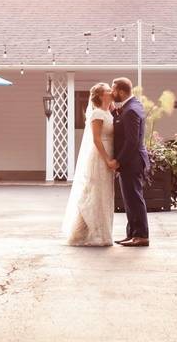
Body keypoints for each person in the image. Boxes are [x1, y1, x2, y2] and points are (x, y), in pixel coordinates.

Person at [61, 82, 117, 246]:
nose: (111, 91)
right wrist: (107, 159)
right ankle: (86, 233)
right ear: (100, 96)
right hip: (100, 156)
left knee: (104, 194)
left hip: (109, 152)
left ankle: (102, 233)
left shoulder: (109, 113)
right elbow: (96, 139)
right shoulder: (97, 114)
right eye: (108, 90)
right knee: (94, 193)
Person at [111, 77, 150, 247]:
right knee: (129, 199)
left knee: (134, 198)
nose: (112, 94)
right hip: (130, 162)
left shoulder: (131, 110)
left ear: (120, 91)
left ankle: (141, 235)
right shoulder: (131, 106)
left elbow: (132, 141)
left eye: (113, 90)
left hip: (132, 162)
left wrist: (118, 161)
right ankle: (132, 233)